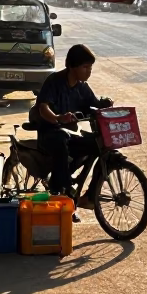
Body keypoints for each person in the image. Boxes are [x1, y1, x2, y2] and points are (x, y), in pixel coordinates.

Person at [30, 44, 112, 207]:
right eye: (85, 67)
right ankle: (61, 188)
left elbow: (93, 105)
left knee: (103, 145)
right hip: (50, 134)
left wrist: (105, 104)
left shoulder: (83, 87)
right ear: (72, 66)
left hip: (71, 136)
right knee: (61, 137)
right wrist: (58, 118)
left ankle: (89, 196)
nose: (88, 71)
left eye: (90, 67)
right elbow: (43, 107)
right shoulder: (55, 81)